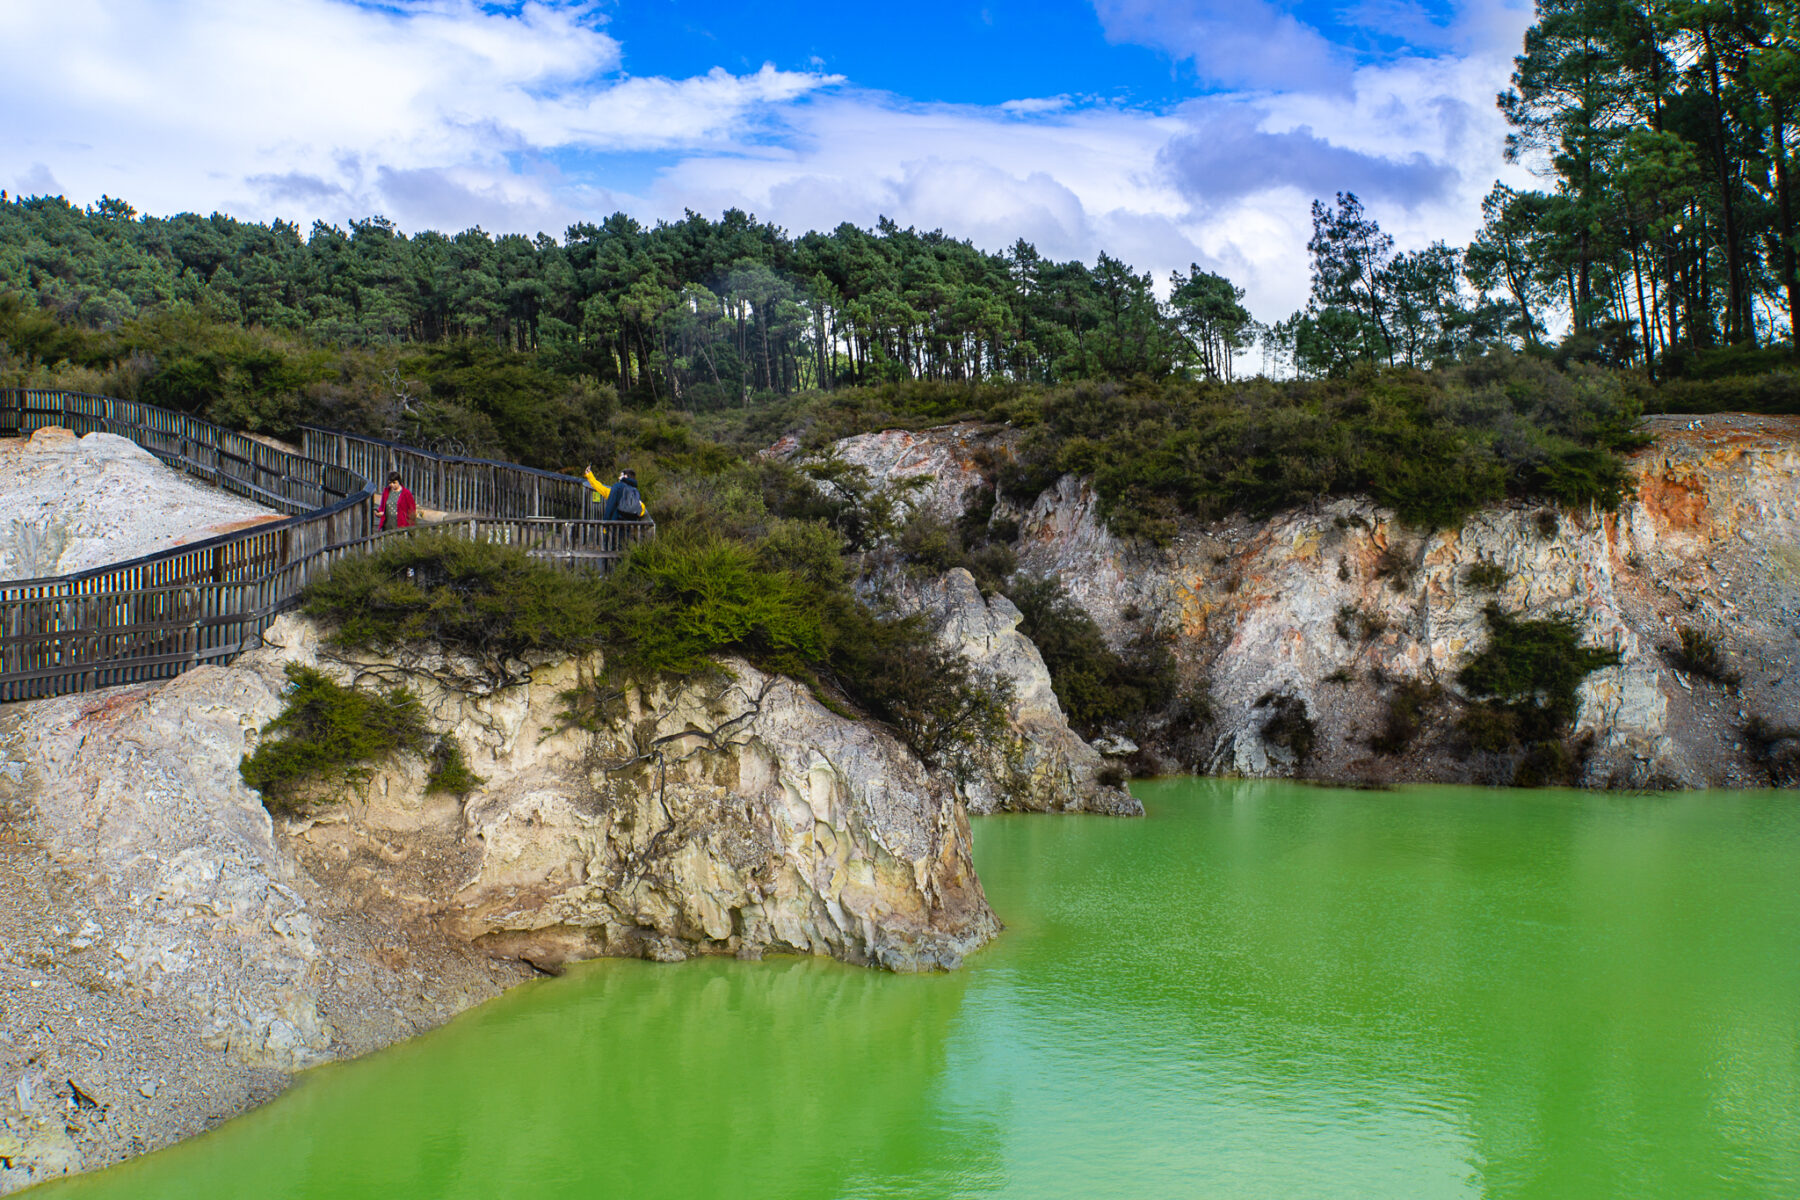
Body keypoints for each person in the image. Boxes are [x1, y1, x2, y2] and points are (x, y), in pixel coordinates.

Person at [584, 465, 648, 520]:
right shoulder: (635, 491)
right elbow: (642, 510)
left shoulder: (618, 488)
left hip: (615, 525)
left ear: (625, 476)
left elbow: (601, 488)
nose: (619, 478)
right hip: (629, 527)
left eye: (621, 475)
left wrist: (589, 475)